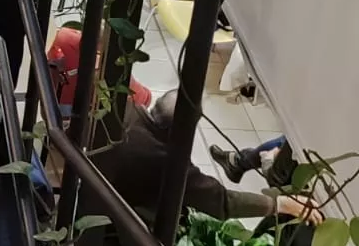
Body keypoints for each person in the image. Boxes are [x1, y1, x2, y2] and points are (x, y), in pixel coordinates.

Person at [88, 93, 318, 235]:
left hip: (85, 188)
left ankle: (238, 162)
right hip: (107, 220)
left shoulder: (122, 110)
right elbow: (221, 202)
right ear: (181, 132)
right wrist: (279, 204)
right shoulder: (166, 161)